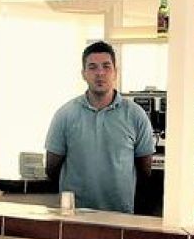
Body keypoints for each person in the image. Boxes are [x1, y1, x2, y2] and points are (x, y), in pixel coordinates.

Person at [44, 41, 156, 214]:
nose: (100, 73)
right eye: (92, 67)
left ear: (115, 72)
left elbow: (144, 170)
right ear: (83, 74)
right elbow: (52, 168)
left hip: (120, 216)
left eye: (106, 66)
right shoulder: (65, 114)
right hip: (75, 216)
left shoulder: (135, 115)